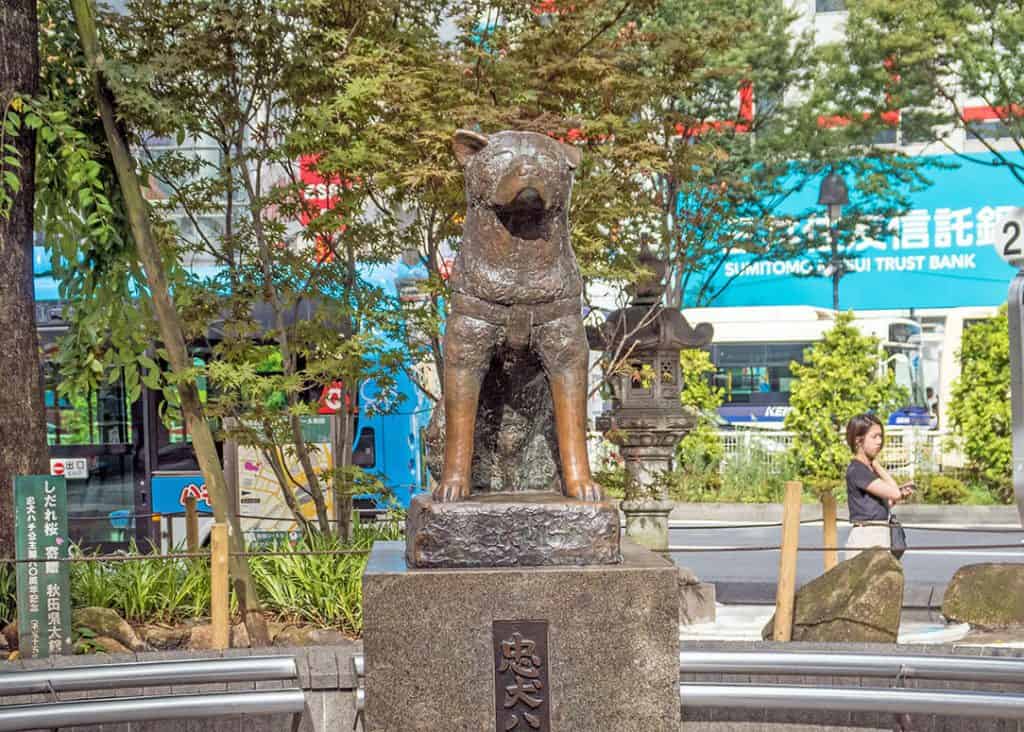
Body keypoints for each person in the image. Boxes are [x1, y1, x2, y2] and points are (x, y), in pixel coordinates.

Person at [844, 413, 914, 560]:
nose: (879, 441)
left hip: (877, 533)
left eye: (880, 436)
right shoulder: (858, 470)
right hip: (867, 538)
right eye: (874, 436)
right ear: (858, 440)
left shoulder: (866, 469)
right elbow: (893, 492)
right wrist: (877, 465)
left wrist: (897, 496)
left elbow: (879, 504)